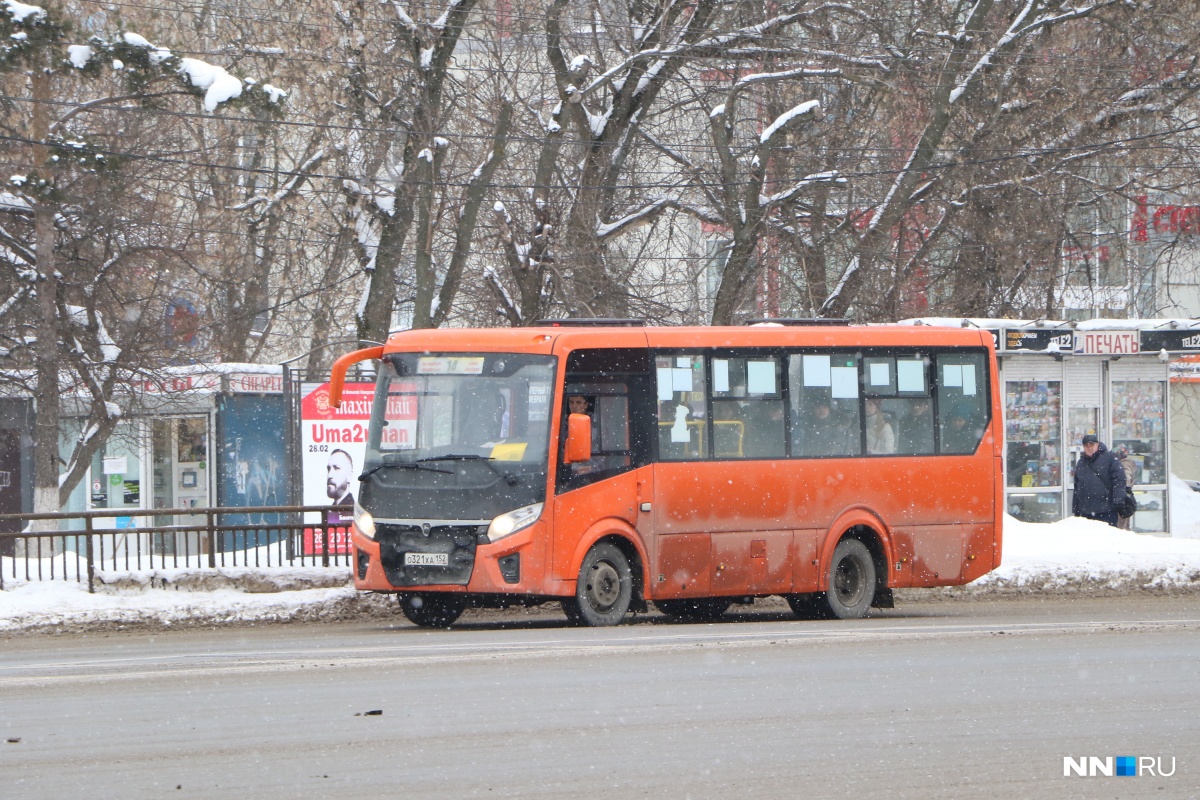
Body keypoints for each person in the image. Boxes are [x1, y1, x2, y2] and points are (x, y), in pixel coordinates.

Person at [1072, 434, 1125, 527]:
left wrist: (1118, 500)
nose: (1089, 448)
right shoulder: (1081, 463)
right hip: (1086, 512)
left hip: (1106, 510)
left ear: (1097, 445)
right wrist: (1076, 508)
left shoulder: (1110, 458)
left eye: (1091, 445)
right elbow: (1077, 487)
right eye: (1086, 446)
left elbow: (1119, 480)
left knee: (1108, 538)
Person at [325, 449, 354, 525]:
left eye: (337, 468)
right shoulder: (332, 510)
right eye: (329, 469)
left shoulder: (352, 512)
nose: (329, 475)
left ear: (349, 475)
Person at [1115, 445, 1138, 530]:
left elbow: (1126, 479)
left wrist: (1122, 489)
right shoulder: (1129, 463)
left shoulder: (1124, 464)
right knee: (1125, 523)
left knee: (1121, 524)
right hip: (1126, 498)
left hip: (1123, 498)